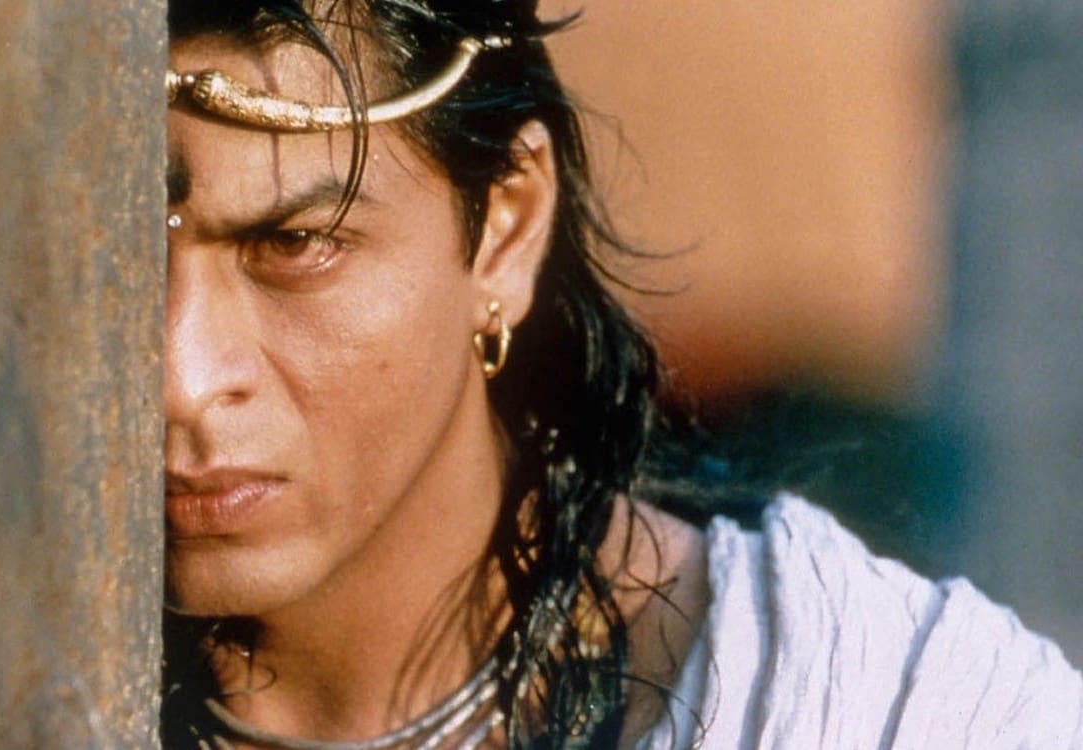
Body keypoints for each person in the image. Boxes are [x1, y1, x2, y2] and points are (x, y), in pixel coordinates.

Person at [160, 1, 1083, 747]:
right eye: (123, 266)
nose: (184, 381)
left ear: (506, 228)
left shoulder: (883, 710)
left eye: (299, 244)